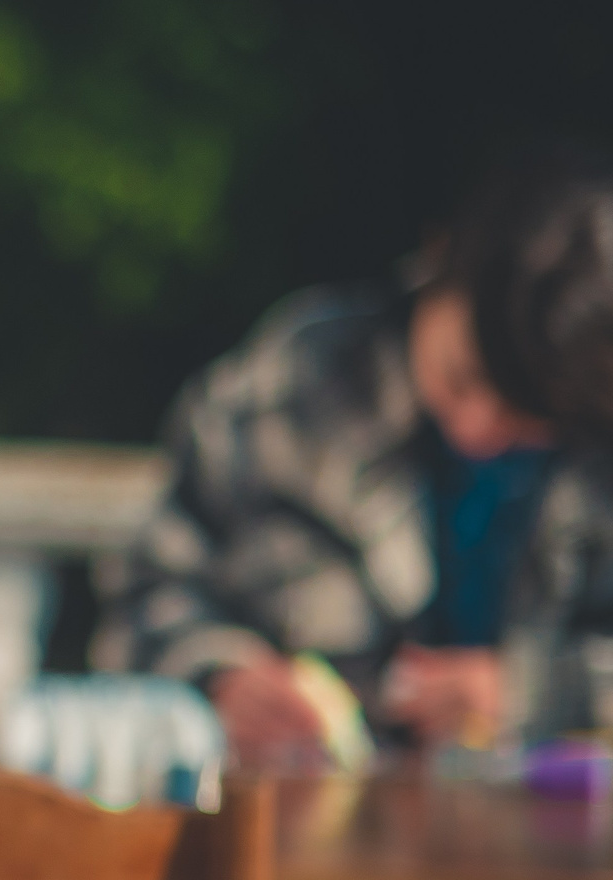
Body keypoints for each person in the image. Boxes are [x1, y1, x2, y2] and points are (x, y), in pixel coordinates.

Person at [100, 143, 613, 766]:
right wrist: (220, 677)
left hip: (555, 853)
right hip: (301, 834)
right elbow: (147, 591)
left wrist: (542, 693)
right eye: (459, 378)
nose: (475, 431)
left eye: (525, 422)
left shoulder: (594, 448)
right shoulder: (291, 387)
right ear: (437, 265)